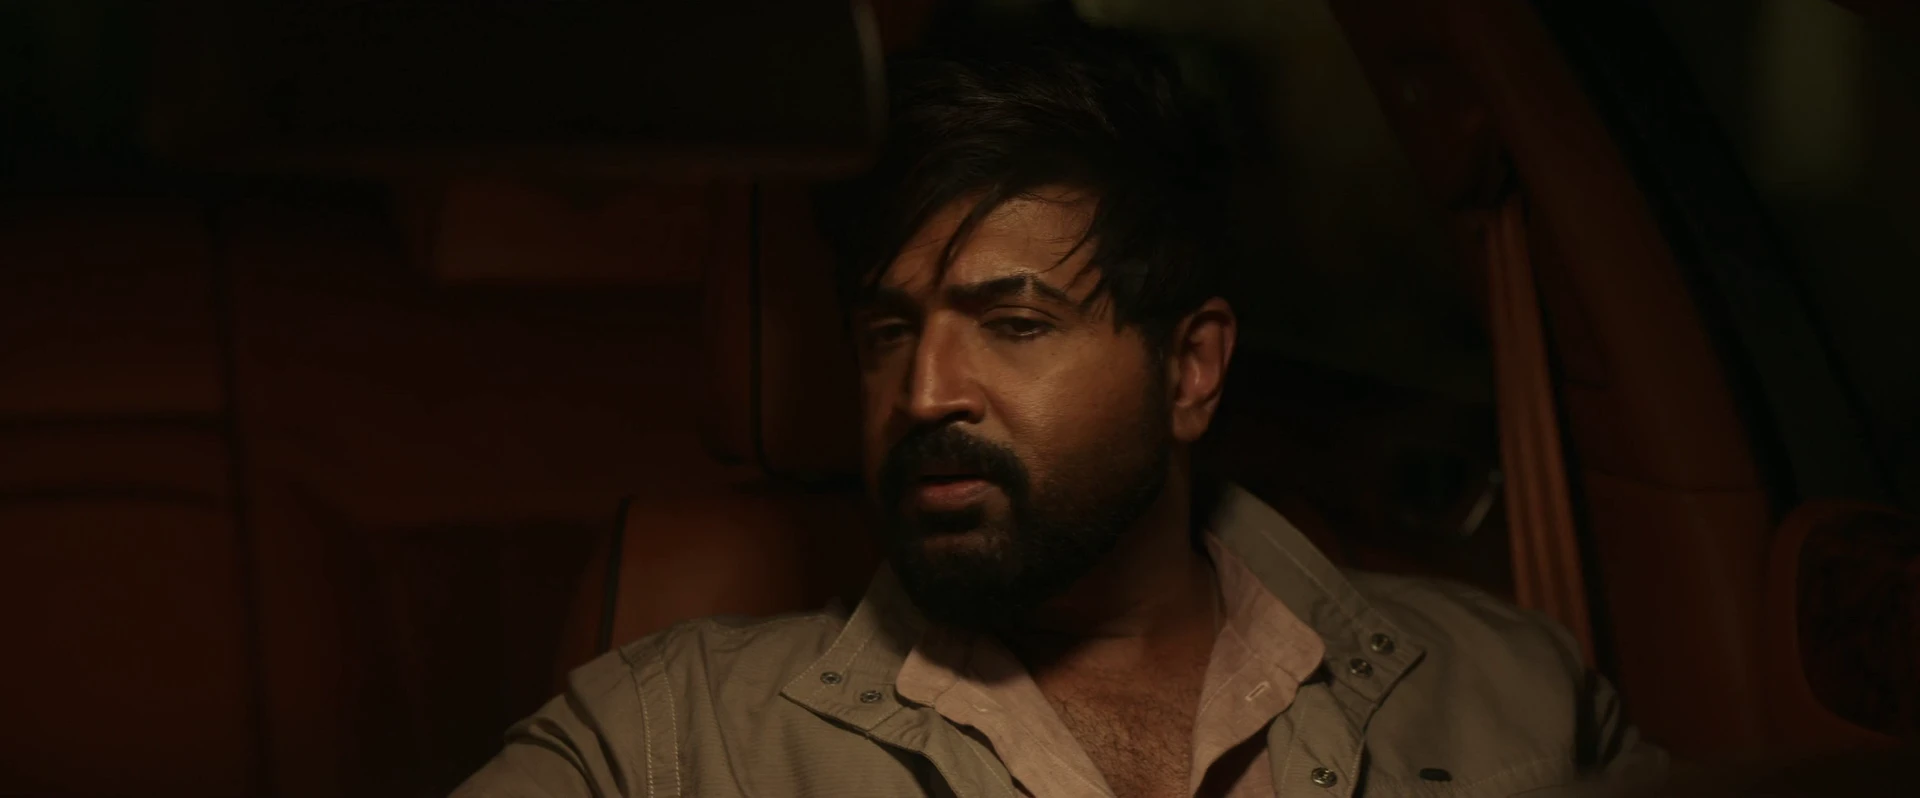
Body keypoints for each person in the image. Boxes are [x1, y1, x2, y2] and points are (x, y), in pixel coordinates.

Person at [453, 12, 1666, 798]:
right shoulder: (674, 739)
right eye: (888, 334)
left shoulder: (1507, 695)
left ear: (1190, 371)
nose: (925, 393)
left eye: (1015, 323)